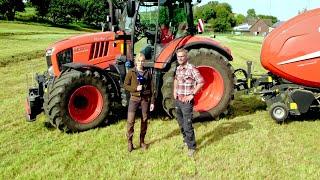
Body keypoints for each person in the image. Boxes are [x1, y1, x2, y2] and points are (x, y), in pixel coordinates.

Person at [173, 48, 204, 157]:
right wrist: (174, 92)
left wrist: (192, 94)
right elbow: (176, 79)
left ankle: (192, 147)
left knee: (187, 125)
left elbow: (201, 82)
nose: (180, 58)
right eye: (178, 57)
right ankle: (186, 141)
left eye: (182, 56)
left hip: (187, 102)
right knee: (181, 123)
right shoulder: (178, 68)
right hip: (178, 100)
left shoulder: (191, 69)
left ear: (186, 57)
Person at [124, 53, 155, 152]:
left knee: (145, 119)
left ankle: (142, 141)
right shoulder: (131, 72)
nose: (141, 62)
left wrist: (152, 102)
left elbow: (152, 88)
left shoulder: (148, 73)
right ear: (136, 61)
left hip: (145, 99)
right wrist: (135, 88)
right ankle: (130, 142)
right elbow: (125, 85)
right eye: (139, 61)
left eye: (142, 61)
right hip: (134, 99)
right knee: (130, 121)